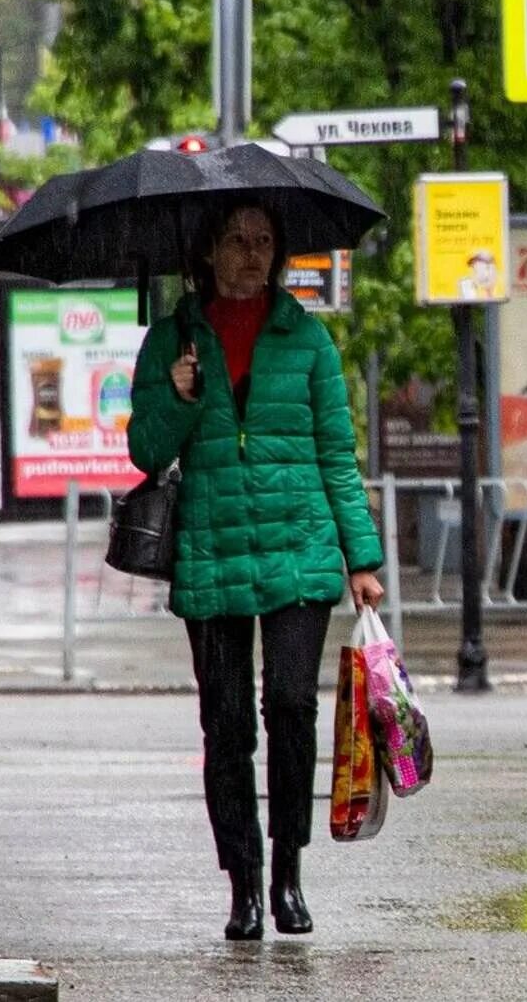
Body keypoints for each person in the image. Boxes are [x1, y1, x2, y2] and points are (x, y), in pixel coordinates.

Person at [128, 203, 384, 941]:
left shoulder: (306, 340)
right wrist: (177, 399)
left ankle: (289, 874)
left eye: (265, 241)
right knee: (227, 724)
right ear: (209, 251)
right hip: (211, 551)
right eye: (238, 240)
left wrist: (360, 557)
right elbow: (146, 451)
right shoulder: (172, 340)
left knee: (294, 708)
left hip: (298, 548)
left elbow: (338, 452)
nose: (252, 254)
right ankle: (242, 884)